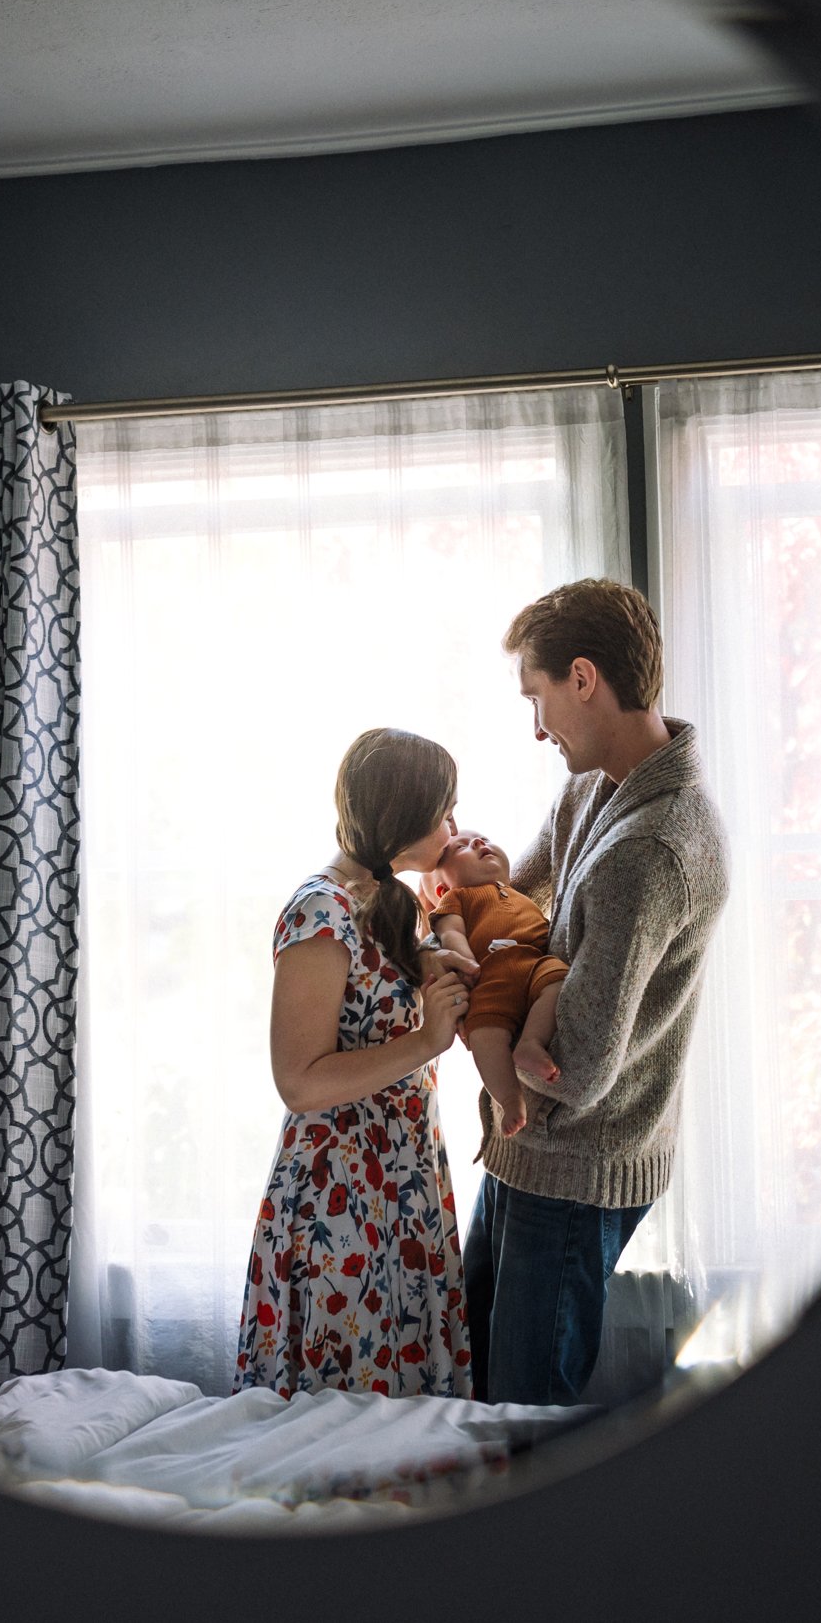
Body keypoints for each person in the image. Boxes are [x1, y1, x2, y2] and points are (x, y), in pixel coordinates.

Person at [462, 578, 726, 1406]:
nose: (536, 730)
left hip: (573, 1163)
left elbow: (572, 1068)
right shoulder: (594, 784)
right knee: (474, 1382)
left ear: (584, 677)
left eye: (537, 699)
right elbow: (525, 894)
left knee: (519, 1419)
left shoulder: (653, 851)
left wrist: (477, 1018)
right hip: (530, 1149)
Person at [235, 727, 474, 1398]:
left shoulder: (396, 904)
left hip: (405, 1182)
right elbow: (300, 1080)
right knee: (344, 1422)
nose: (455, 826)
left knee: (407, 1428)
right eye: (444, 811)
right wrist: (423, 1043)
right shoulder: (323, 911)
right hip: (342, 1201)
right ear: (402, 818)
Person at [426, 829, 566, 1141]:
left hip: (534, 964)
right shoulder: (456, 897)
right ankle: (508, 1097)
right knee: (485, 1033)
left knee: (558, 980)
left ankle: (531, 1042)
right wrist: (467, 963)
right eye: (462, 846)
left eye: (484, 839)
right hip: (490, 971)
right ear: (441, 888)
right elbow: (451, 935)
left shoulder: (520, 895)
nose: (478, 843)